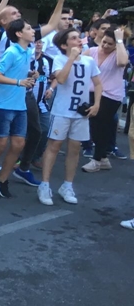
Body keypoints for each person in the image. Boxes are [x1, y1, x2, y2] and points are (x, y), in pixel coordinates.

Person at [37, 29, 101, 206]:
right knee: (54, 146)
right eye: (73, 38)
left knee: (74, 148)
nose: (79, 40)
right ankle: (44, 185)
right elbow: (62, 79)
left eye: (79, 37)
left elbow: (97, 83)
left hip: (81, 113)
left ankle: (67, 185)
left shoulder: (89, 61)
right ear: (64, 45)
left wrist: (96, 104)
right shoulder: (59, 59)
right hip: (62, 111)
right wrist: (71, 58)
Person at [0, 19, 38, 199]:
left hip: (19, 105)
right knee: (1, 143)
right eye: (29, 28)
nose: (33, 31)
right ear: (19, 34)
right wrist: (19, 82)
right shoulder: (11, 51)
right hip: (3, 105)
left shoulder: (28, 51)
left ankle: (2, 180)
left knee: (18, 144)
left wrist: (30, 74)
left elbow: (16, 71)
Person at [82, 27, 128, 173]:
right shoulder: (92, 51)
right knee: (95, 126)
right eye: (104, 42)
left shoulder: (119, 53)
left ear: (116, 44)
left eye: (110, 44)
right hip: (92, 92)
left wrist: (120, 41)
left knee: (100, 124)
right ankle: (103, 158)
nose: (106, 46)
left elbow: (122, 62)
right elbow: (79, 65)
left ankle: (97, 160)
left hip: (111, 95)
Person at [26, 38, 55, 170]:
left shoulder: (48, 60)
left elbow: (53, 78)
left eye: (41, 42)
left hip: (42, 102)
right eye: (36, 41)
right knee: (25, 132)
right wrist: (31, 76)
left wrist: (51, 88)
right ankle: (21, 159)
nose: (38, 44)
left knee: (44, 130)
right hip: (25, 101)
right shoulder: (26, 58)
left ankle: (35, 156)